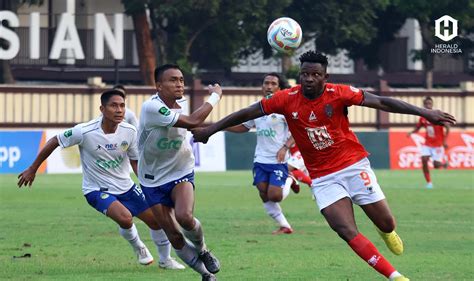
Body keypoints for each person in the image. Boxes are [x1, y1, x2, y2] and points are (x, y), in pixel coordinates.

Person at [191, 50, 456, 281]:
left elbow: (383, 101)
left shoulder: (339, 93)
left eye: (315, 75)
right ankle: (394, 275)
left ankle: (384, 231)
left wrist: (425, 113)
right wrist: (211, 130)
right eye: (304, 74)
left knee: (387, 223)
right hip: (322, 176)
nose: (308, 78)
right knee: (344, 229)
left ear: (324, 77)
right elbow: (247, 112)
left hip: (353, 165)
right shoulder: (286, 98)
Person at [17, 89, 185, 270]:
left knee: (157, 220)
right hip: (96, 189)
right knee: (126, 218)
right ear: (102, 109)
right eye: (113, 105)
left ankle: (165, 260)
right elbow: (54, 141)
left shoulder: (129, 131)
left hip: (126, 187)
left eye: (122, 105)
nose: (119, 110)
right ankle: (139, 247)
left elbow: (136, 162)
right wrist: (33, 168)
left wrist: (148, 185)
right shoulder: (84, 131)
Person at [137, 64, 222, 281]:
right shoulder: (151, 107)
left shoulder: (181, 103)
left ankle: (203, 249)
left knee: (185, 217)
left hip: (180, 170)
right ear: (158, 86)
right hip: (151, 179)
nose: (179, 84)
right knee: (174, 235)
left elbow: (191, 124)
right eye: (173, 80)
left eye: (181, 80)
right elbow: (193, 120)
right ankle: (205, 275)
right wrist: (215, 97)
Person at [226, 73, 299, 234]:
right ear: (262, 86)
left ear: (279, 88)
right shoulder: (256, 107)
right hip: (260, 159)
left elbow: (297, 130)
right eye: (266, 83)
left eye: (273, 83)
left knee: (275, 195)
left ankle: (289, 179)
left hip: (278, 160)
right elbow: (244, 127)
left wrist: (285, 147)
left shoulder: (284, 108)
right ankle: (285, 225)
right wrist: (221, 127)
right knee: (263, 192)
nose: (269, 86)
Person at [408, 96, 450, 189]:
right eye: (426, 104)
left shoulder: (437, 116)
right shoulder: (423, 118)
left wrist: (445, 141)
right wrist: (412, 132)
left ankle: (444, 164)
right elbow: (418, 127)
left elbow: (447, 127)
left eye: (429, 103)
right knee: (424, 159)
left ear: (432, 104)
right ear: (424, 105)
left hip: (438, 144)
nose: (428, 105)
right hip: (427, 143)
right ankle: (429, 183)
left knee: (436, 166)